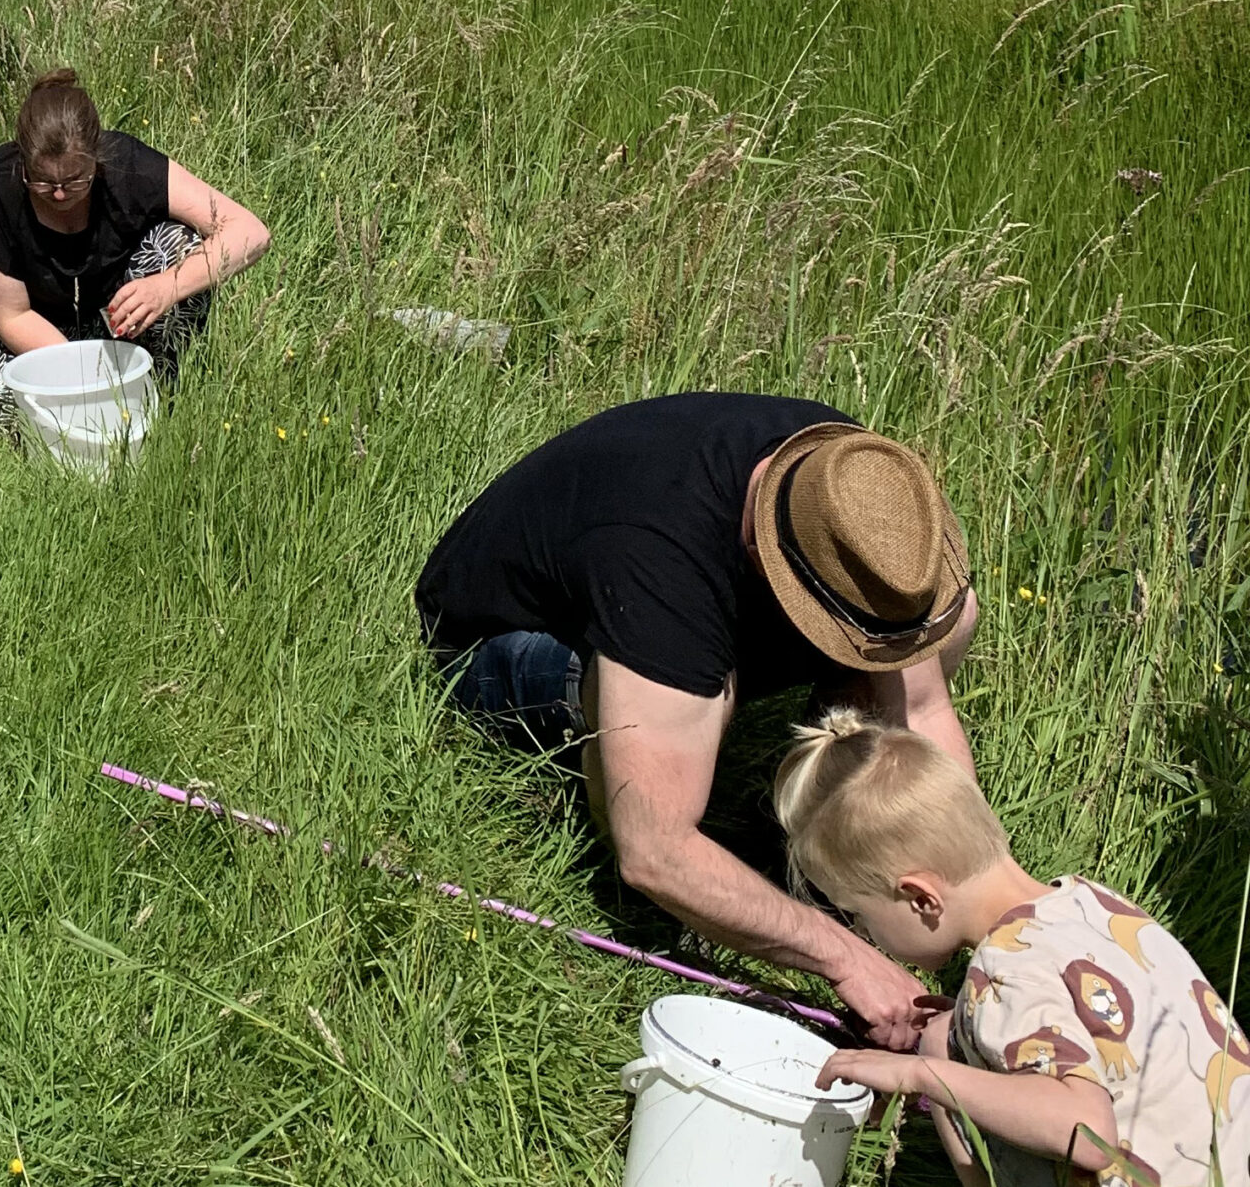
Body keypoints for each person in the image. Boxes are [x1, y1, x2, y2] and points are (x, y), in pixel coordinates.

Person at [414, 397, 983, 1050]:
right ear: (759, 549)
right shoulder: (664, 568)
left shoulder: (849, 484)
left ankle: (812, 835)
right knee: (682, 734)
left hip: (668, 600)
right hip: (495, 645)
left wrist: (990, 899)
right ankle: (708, 799)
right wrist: (848, 961)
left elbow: (927, 709)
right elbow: (655, 851)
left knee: (947, 620)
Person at [777, 710, 1250, 1186]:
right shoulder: (1093, 904)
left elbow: (1086, 1132)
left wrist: (919, 1075)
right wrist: (970, 1026)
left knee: (939, 1058)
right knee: (943, 1038)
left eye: (859, 912)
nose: (863, 931)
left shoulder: (1006, 971)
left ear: (921, 899)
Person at [0, 69, 270, 433]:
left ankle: (161, 385)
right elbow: (12, 317)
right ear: (21, 160)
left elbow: (250, 232)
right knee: (3, 421)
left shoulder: (128, 164)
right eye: (42, 181)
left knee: (178, 243)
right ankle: (117, 394)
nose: (58, 194)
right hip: (36, 331)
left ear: (97, 159)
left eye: (75, 180)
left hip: (121, 322)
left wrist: (167, 287)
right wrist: (85, 376)